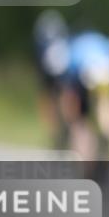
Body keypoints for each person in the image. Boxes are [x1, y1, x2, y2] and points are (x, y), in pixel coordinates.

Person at [62, 31, 109, 167]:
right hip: (107, 72)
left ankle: (83, 161)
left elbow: (70, 92)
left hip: (84, 74)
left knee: (80, 122)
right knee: (108, 105)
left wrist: (71, 119)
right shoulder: (102, 41)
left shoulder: (73, 48)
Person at [33, 10, 71, 148]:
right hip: (61, 68)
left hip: (49, 69)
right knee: (64, 95)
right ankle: (66, 125)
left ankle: (55, 132)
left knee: (49, 99)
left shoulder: (41, 36)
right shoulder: (61, 33)